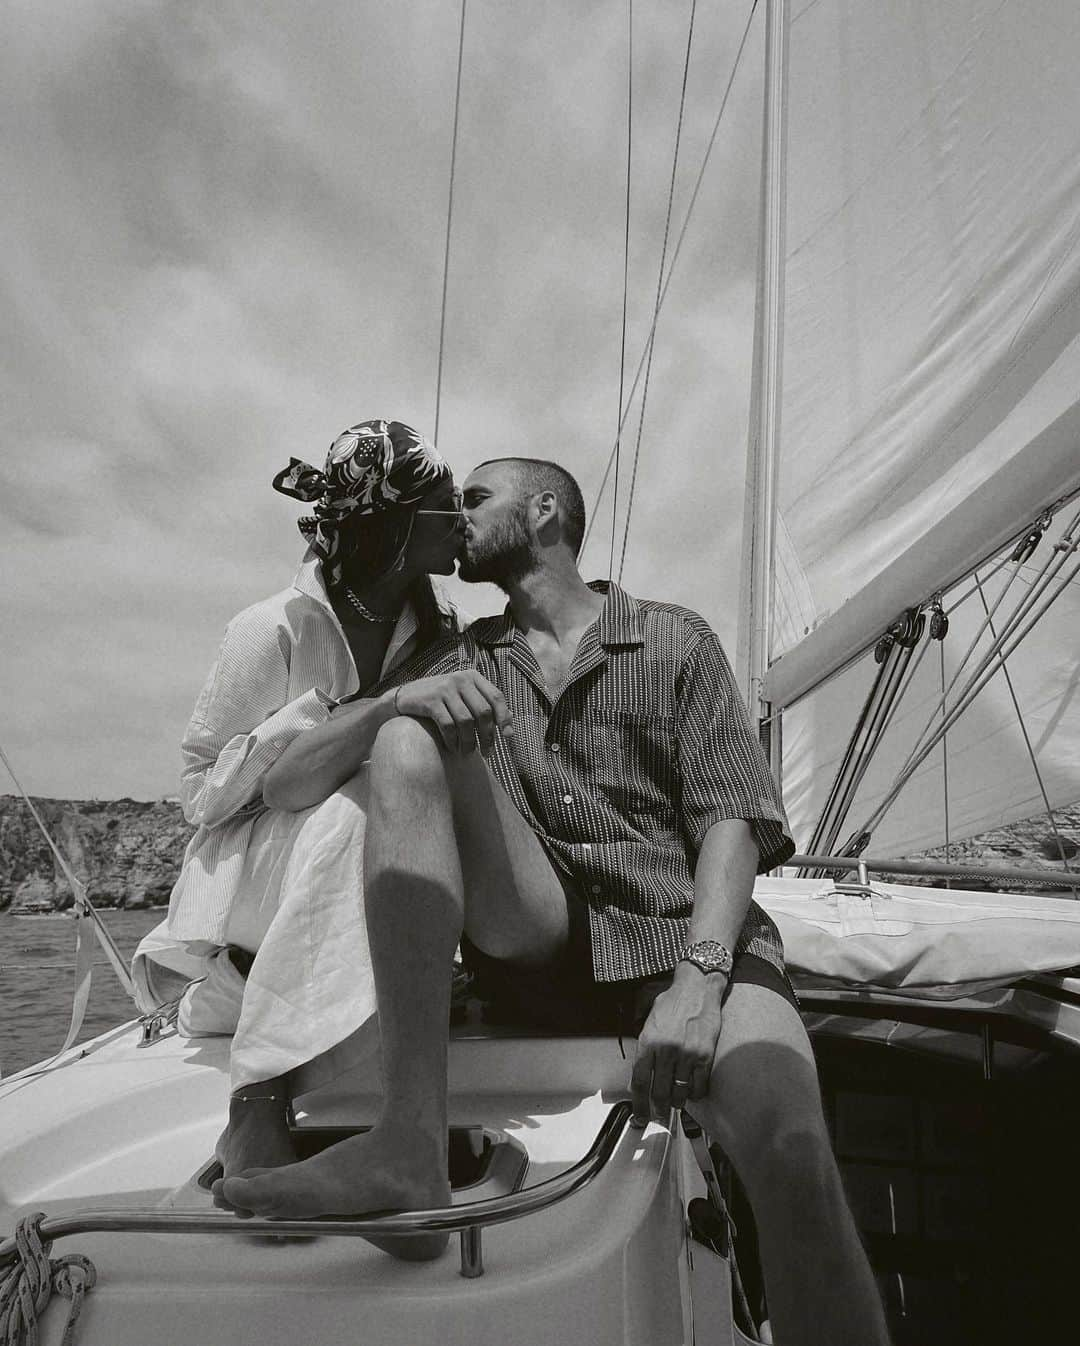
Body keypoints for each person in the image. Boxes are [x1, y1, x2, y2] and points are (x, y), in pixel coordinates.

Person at [216, 457, 890, 1345]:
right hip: (535, 936)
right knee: (407, 745)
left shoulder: (673, 639)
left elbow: (732, 813)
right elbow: (289, 783)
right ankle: (408, 1147)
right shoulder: (457, 658)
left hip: (685, 937)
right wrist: (393, 705)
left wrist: (701, 980)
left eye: (476, 498)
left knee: (794, 1155)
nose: (456, 517)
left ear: (543, 513)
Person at [132, 418, 471, 1181]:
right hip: (250, 858)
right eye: (449, 504)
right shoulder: (269, 628)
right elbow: (197, 797)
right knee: (358, 803)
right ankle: (257, 1099)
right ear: (401, 520)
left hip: (347, 866)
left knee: (385, 795)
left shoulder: (441, 632)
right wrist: (316, 722)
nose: (463, 522)